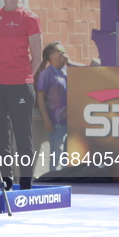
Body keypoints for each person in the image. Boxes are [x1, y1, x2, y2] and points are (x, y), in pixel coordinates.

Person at [0, 0, 42, 190]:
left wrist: (23, 77)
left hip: (20, 85)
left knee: (22, 136)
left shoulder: (30, 18)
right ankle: (5, 182)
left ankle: (26, 184)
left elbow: (36, 57)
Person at [36, 42, 85, 172]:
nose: (64, 53)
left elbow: (87, 70)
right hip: (56, 121)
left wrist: (70, 62)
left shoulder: (67, 70)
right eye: (60, 51)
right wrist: (46, 120)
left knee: (68, 154)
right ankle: (55, 179)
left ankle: (66, 178)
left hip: (72, 121)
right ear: (52, 55)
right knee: (56, 152)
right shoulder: (46, 74)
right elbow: (40, 96)